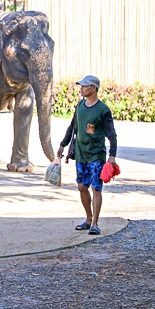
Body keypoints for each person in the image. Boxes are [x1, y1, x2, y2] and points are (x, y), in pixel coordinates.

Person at [57, 75, 117, 236]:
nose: (81, 89)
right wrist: (63, 145)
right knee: (82, 186)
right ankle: (88, 218)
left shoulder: (103, 110)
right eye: (81, 86)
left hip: (96, 155)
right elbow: (72, 127)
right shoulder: (80, 106)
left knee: (96, 187)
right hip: (81, 154)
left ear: (94, 88)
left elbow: (111, 134)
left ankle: (95, 223)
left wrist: (112, 155)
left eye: (85, 86)